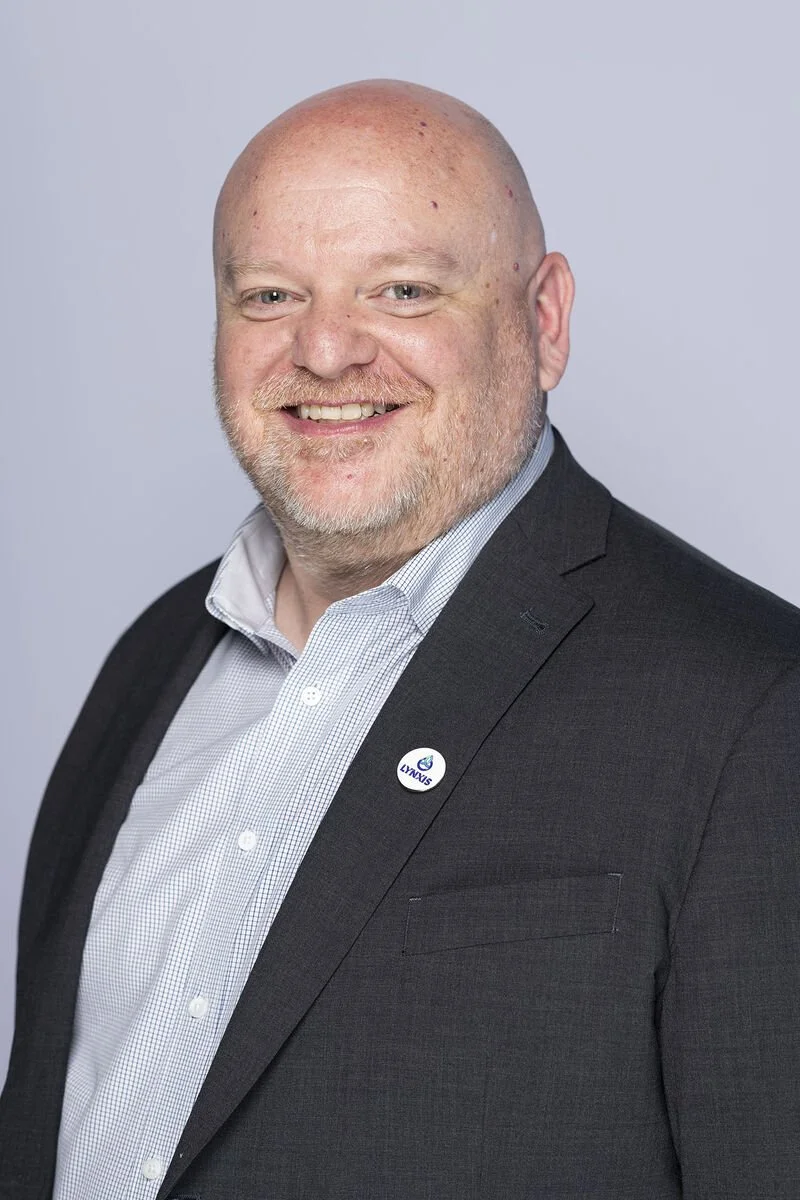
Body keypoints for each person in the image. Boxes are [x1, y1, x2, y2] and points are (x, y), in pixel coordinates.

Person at [1, 78, 799, 1200]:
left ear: (542, 319)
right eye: (270, 294)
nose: (325, 351)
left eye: (403, 290)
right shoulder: (147, 666)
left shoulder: (752, 712)